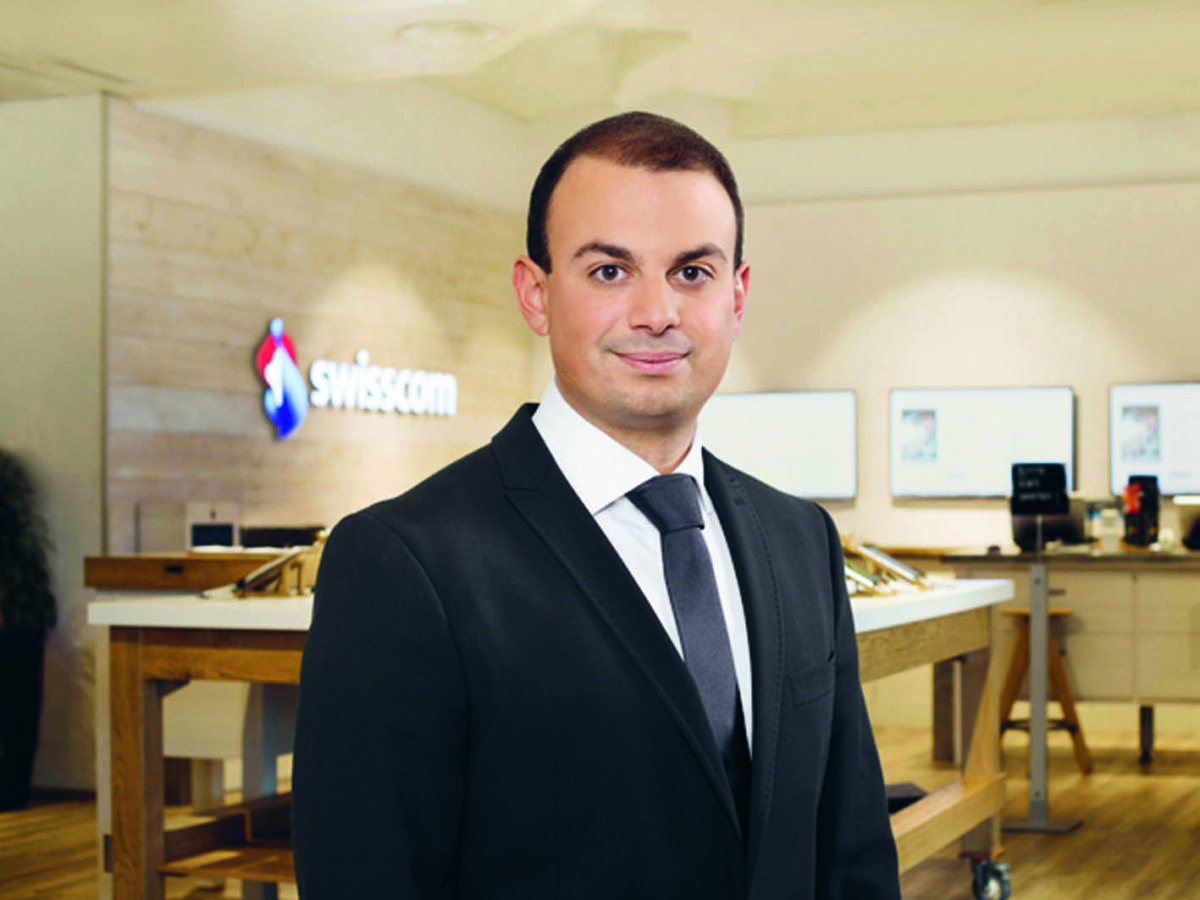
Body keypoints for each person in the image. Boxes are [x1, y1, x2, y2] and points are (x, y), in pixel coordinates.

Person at [292, 111, 901, 899]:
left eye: (693, 272)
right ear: (536, 294)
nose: (657, 313)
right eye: (610, 271)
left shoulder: (799, 540)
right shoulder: (405, 562)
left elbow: (850, 849)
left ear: (737, 294)